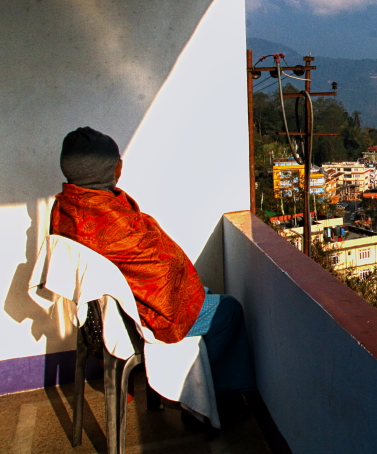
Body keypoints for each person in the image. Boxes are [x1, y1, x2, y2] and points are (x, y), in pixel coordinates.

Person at [50, 126, 255, 409]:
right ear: (109, 170)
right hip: (138, 320)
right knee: (227, 310)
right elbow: (161, 269)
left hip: (104, 318)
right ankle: (217, 400)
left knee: (207, 297)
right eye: (116, 160)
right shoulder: (113, 222)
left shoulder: (67, 207)